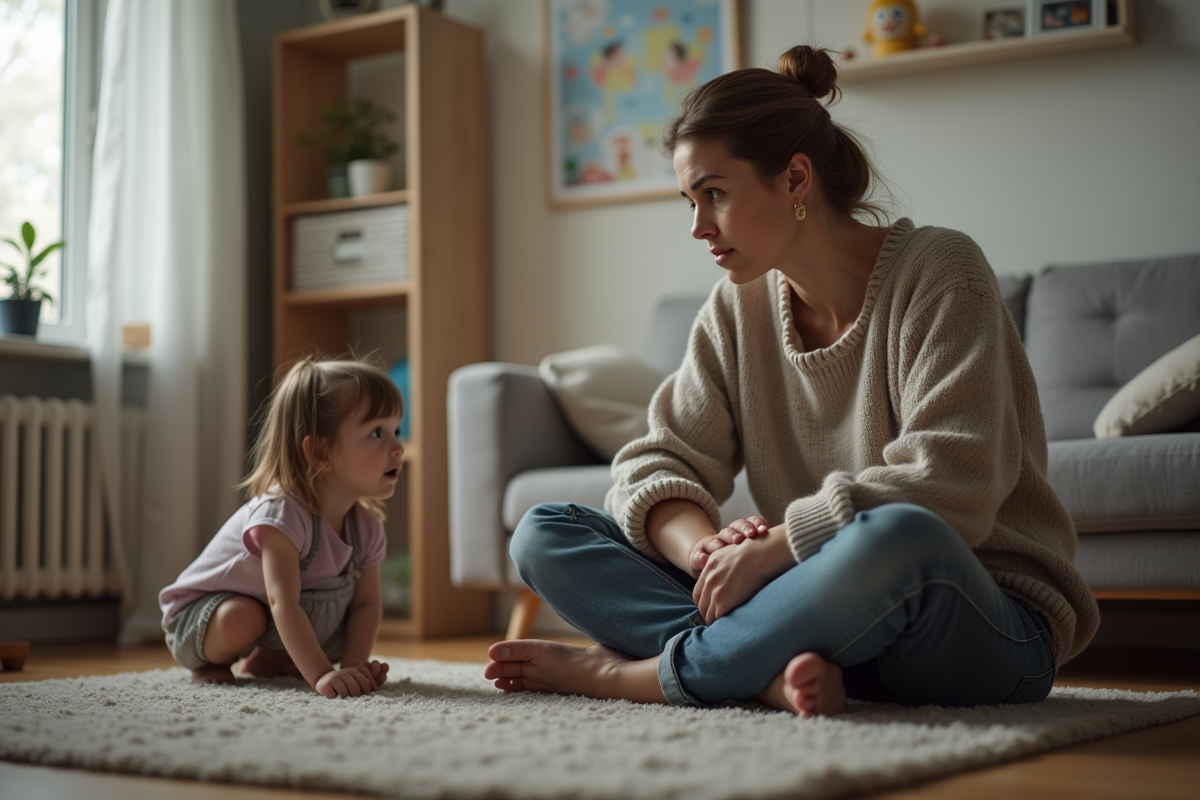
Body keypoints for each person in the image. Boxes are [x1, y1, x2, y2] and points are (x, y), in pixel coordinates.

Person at [485, 46, 1099, 717]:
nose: (698, 227)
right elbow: (658, 460)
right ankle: (765, 672)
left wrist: (778, 548)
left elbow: (953, 478)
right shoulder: (735, 305)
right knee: (545, 533)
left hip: (980, 624)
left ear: (796, 179)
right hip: (829, 621)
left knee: (898, 534)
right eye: (689, 200)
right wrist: (706, 554)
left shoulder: (940, 270)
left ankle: (634, 676)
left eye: (714, 193)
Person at [160, 355, 404, 699]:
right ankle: (210, 663)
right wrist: (320, 675)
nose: (397, 448)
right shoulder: (281, 514)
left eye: (397, 430)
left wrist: (352, 667)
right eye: (377, 433)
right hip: (201, 620)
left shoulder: (366, 525)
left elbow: (367, 606)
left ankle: (273, 659)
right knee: (243, 618)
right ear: (320, 452)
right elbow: (282, 603)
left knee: (341, 617)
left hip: (273, 624)